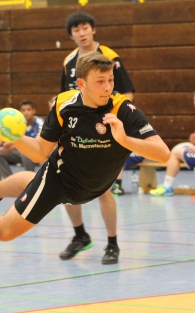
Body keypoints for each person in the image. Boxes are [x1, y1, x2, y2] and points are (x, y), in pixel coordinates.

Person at [0, 52, 170, 272]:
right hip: (60, 181)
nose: (108, 87)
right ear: (81, 84)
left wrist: (125, 139)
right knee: (5, 230)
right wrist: (15, 136)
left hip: (91, 188)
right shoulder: (65, 106)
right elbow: (41, 151)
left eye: (110, 80)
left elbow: (163, 154)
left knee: (31, 181)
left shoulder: (123, 110)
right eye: (100, 81)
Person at [59, 11, 137, 264]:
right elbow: (64, 98)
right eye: (76, 30)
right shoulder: (68, 62)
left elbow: (127, 94)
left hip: (104, 130)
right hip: (74, 132)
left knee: (103, 188)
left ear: (93, 30)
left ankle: (112, 244)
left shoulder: (109, 57)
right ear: (71, 35)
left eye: (85, 28)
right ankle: (80, 235)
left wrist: (113, 122)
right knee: (65, 185)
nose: (81, 33)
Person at [0, 100, 44, 179]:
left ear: (34, 111)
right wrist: (8, 144)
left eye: (28, 110)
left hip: (37, 153)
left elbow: (37, 143)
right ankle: (9, 180)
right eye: (23, 110)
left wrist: (12, 147)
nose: (26, 112)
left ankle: (30, 181)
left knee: (26, 152)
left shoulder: (40, 123)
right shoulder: (16, 122)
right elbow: (13, 138)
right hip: (18, 152)